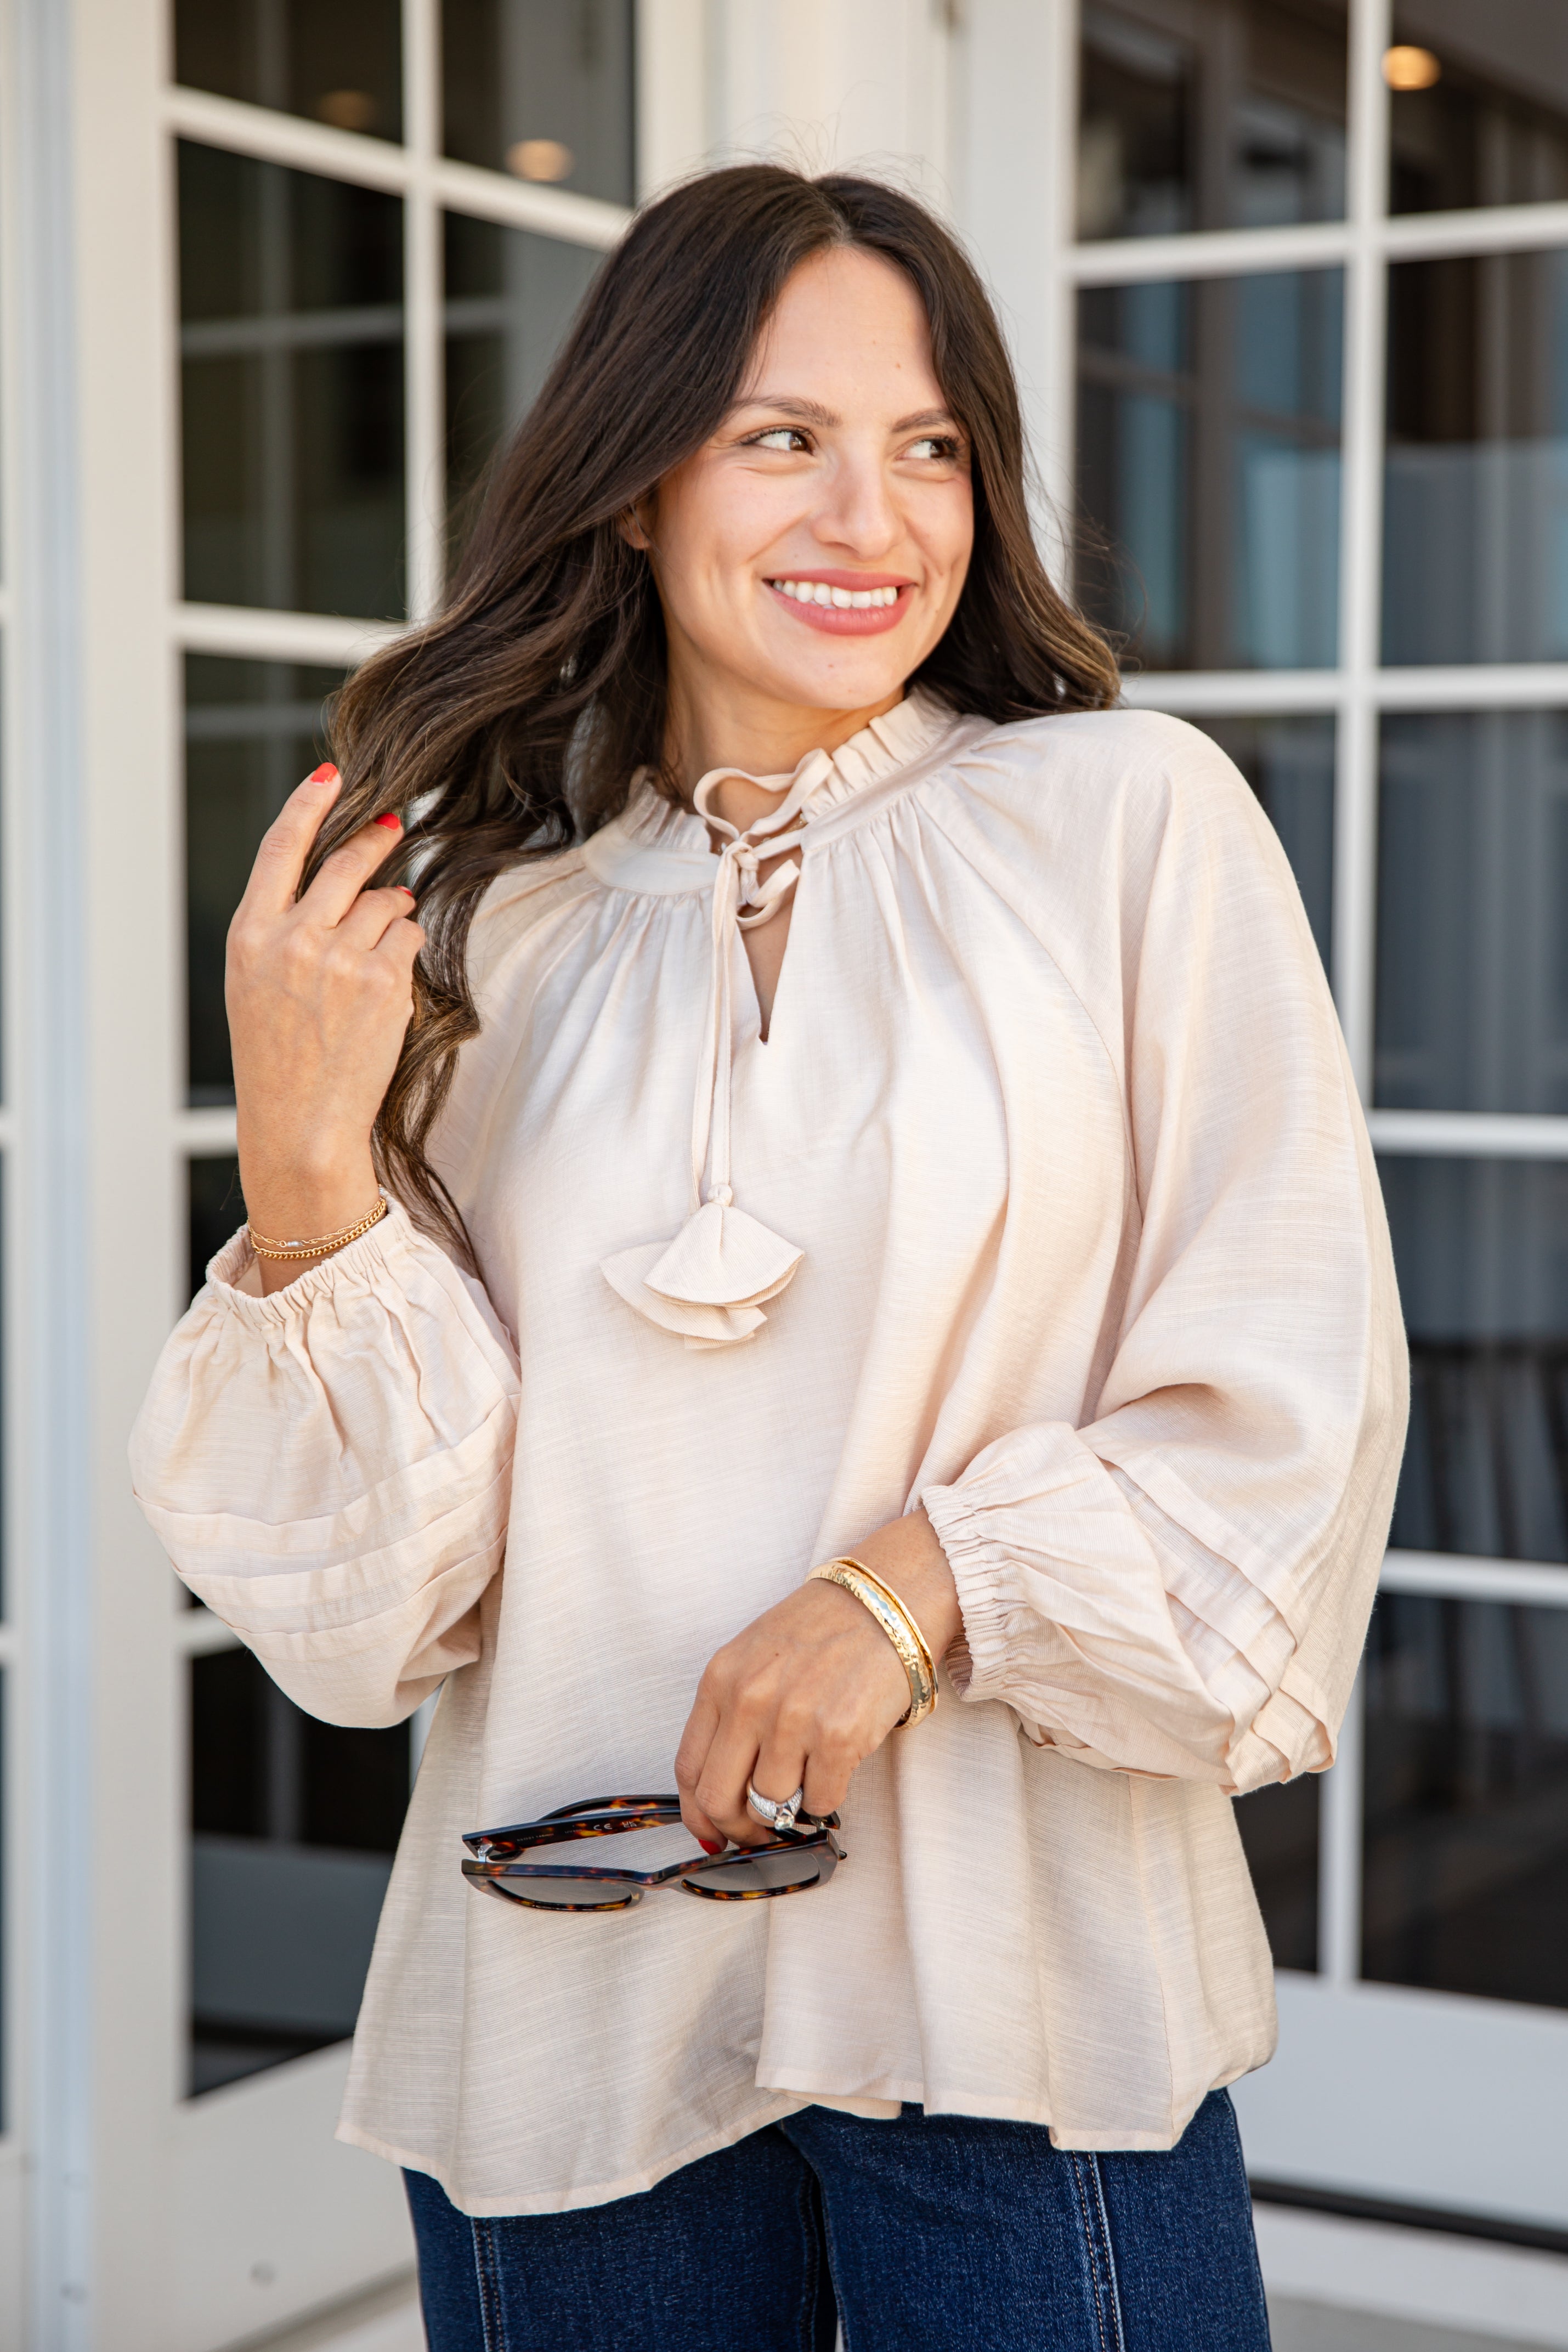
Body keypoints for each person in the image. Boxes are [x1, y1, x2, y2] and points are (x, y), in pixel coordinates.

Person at [132, 165, 1407, 2351]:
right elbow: (381, 1616)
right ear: (633, 480)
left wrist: (903, 1598)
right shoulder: (496, 935)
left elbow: (1288, 1405)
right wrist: (301, 1155)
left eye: (930, 447)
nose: (876, 514)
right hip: (569, 1976)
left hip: (1018, 1992)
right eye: (782, 435)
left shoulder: (1128, 821)